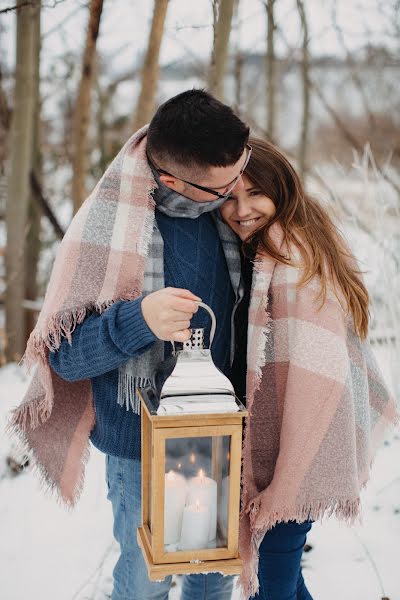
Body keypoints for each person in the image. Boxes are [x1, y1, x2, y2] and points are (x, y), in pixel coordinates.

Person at [10, 89, 251, 600]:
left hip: (220, 429)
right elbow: (66, 358)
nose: (236, 190)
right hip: (139, 443)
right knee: (146, 579)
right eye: (220, 185)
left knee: (214, 575)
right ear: (171, 181)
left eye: (241, 170)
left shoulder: (236, 220)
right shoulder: (108, 229)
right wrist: (138, 320)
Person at [219, 137, 399, 600]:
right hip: (298, 450)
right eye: (230, 197)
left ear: (281, 189)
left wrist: (288, 480)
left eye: (255, 193)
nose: (241, 210)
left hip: (303, 454)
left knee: (270, 588)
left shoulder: (292, 259)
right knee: (284, 581)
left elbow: (315, 380)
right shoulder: (290, 239)